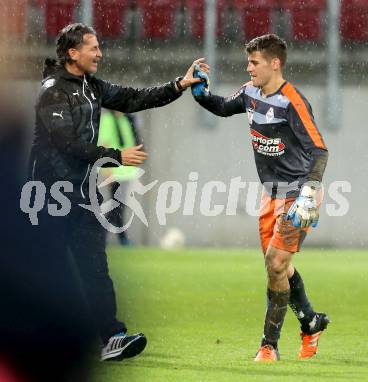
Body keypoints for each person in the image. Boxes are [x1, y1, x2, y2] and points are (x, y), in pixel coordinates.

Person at [29, 22, 208, 362]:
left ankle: (112, 337)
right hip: (48, 197)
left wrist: (179, 85)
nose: (100, 53)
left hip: (83, 196)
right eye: (93, 47)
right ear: (72, 53)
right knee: (42, 273)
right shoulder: (52, 90)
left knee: (95, 269)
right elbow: (66, 142)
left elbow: (133, 97)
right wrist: (115, 156)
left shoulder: (92, 86)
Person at [192, 34, 329, 361]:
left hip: (298, 194)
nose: (249, 67)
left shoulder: (292, 100)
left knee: (276, 262)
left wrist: (309, 192)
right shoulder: (250, 92)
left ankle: (268, 346)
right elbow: (225, 107)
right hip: (272, 195)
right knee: (278, 270)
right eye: (248, 62)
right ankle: (310, 321)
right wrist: (200, 93)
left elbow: (319, 150)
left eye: (254, 62)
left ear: (274, 63)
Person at [98, 110, 142, 245]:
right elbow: (104, 144)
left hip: (126, 171)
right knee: (116, 206)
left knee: (118, 206)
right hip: (115, 170)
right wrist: (107, 169)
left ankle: (117, 238)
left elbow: (129, 142)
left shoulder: (125, 120)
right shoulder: (107, 120)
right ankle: (103, 235)